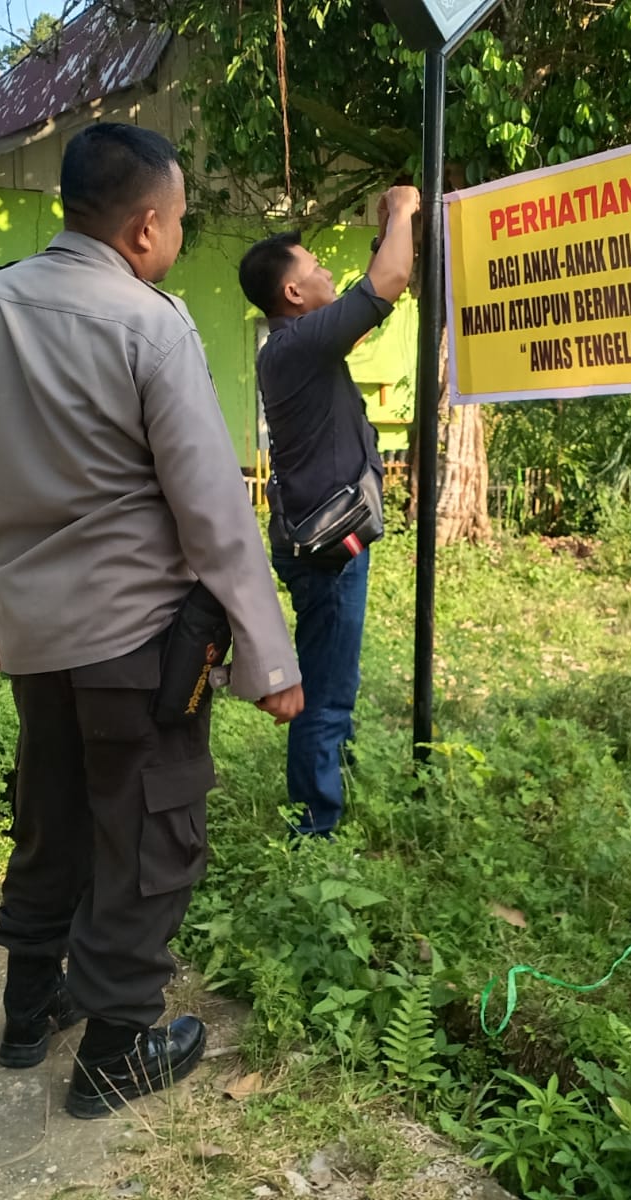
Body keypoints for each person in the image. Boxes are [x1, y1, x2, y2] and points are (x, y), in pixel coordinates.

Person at [0, 121, 304, 1118]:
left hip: (33, 639)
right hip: (137, 644)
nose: (177, 239)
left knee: (50, 815)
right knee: (151, 835)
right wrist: (270, 658)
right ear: (145, 227)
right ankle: (114, 1049)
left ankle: (28, 1011)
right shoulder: (149, 323)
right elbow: (213, 509)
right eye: (180, 222)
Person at [236, 185, 420, 837]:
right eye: (314, 268)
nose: (326, 274)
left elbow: (375, 298)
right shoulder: (298, 347)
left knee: (334, 678)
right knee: (327, 691)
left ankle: (327, 798)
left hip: (322, 538)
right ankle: (314, 830)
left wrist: (389, 236)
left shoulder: (296, 348)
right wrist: (401, 209)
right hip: (328, 548)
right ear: (291, 293)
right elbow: (385, 284)